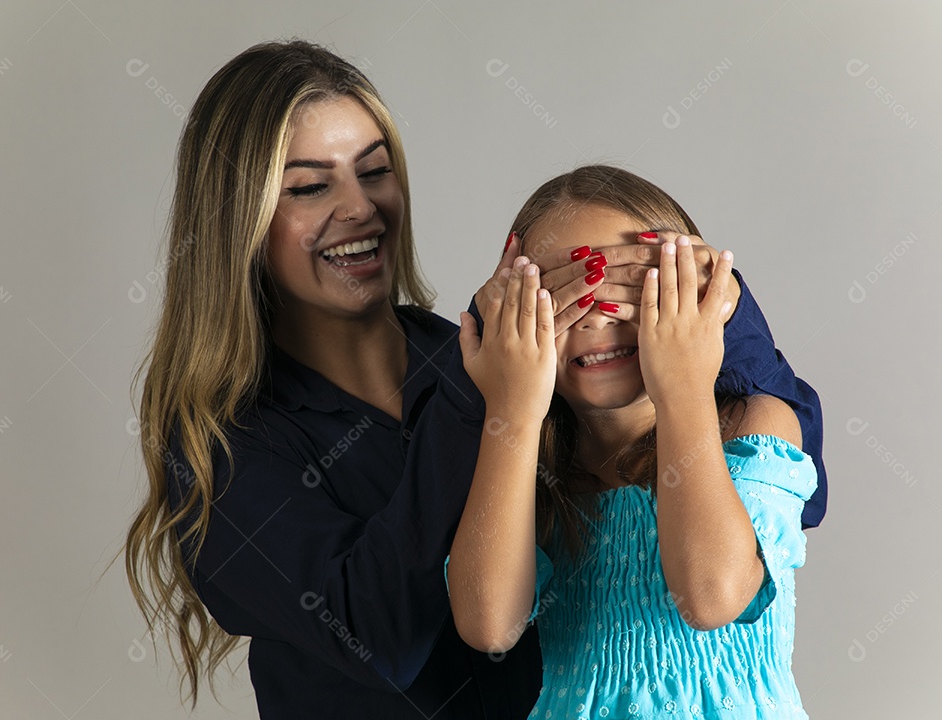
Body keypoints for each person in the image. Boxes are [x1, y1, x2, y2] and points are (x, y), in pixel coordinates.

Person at [122, 40, 825, 718]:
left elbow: (789, 466)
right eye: (309, 186)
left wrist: (698, 295)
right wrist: (495, 398)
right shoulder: (225, 451)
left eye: (374, 170)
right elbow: (380, 633)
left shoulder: (513, 372)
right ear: (239, 222)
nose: (359, 207)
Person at [447, 165, 818, 718]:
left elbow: (711, 596)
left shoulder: (753, 425)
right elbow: (490, 626)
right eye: (563, 296)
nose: (597, 318)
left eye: (632, 288)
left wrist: (684, 386)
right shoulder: (537, 469)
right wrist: (513, 408)